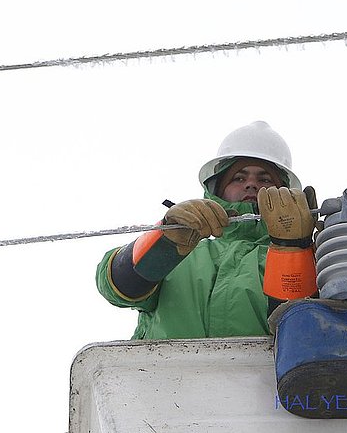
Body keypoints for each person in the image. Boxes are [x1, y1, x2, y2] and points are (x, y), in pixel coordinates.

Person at [95, 121, 317, 339]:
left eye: (264, 178)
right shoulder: (182, 256)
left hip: (262, 376)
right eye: (239, 178)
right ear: (217, 189)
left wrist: (293, 248)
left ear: (284, 192)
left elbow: (299, 331)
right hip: (163, 375)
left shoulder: (310, 260)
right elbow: (117, 287)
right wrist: (165, 241)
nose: (251, 184)